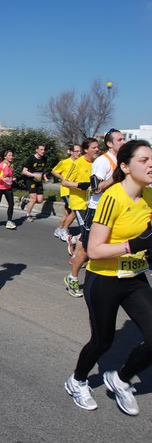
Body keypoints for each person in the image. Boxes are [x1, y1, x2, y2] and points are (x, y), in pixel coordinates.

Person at [65, 140, 152, 415]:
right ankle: (77, 381)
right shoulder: (113, 197)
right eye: (144, 160)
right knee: (102, 342)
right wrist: (135, 245)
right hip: (104, 280)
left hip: (134, 276)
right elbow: (94, 250)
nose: (151, 164)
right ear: (125, 167)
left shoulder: (150, 196)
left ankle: (120, 379)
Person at [61, 138, 99, 297]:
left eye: (98, 147)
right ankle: (73, 275)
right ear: (86, 150)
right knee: (88, 236)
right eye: (94, 147)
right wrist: (80, 185)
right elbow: (64, 182)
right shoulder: (77, 164)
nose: (97, 149)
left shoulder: (97, 164)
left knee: (87, 235)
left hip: (93, 204)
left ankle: (75, 242)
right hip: (79, 204)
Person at [51, 144, 82, 240]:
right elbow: (54, 171)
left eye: (80, 151)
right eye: (76, 151)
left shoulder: (80, 162)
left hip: (76, 191)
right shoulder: (64, 162)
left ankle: (59, 229)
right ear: (71, 152)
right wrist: (63, 178)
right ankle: (64, 229)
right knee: (74, 210)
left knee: (67, 212)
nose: (79, 153)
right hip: (66, 191)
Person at [21, 144, 48, 221]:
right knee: (33, 199)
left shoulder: (44, 159)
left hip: (38, 181)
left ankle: (26, 200)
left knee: (39, 200)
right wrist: (34, 175)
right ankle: (28, 215)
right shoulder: (31, 159)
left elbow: (43, 169)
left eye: (44, 150)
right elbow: (24, 171)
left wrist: (45, 177)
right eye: (41, 149)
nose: (43, 151)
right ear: (37, 150)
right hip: (30, 180)